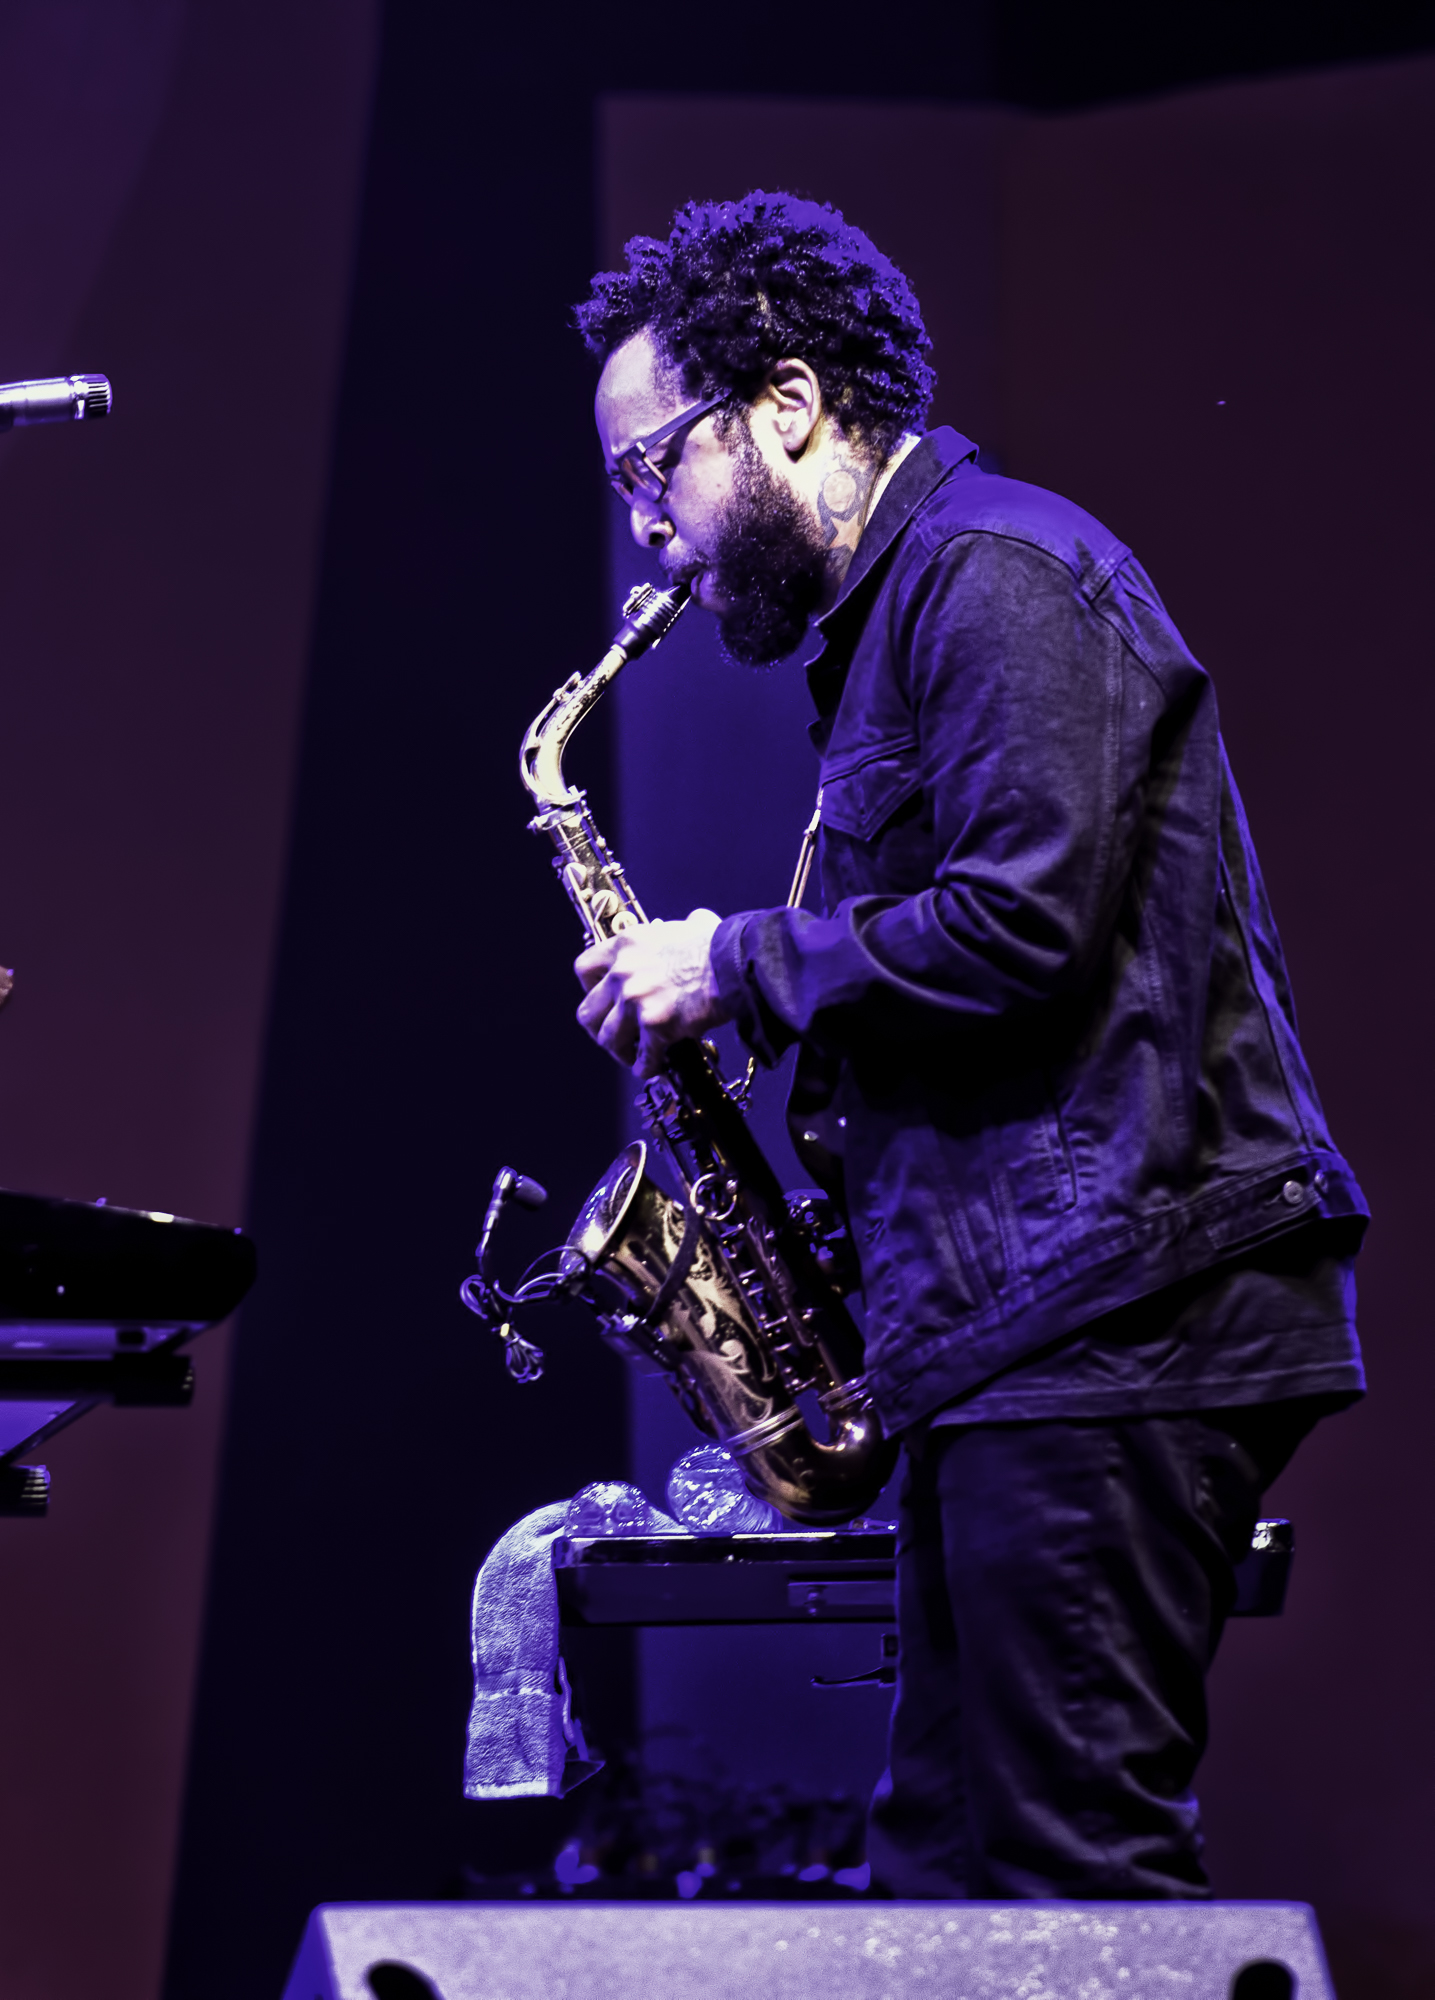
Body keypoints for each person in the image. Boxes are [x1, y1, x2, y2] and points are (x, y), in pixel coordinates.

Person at [567, 191, 1367, 1900]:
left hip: (1111, 1314)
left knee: (1072, 1880)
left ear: (784, 405)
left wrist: (733, 961)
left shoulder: (997, 573)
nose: (648, 533)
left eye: (655, 471)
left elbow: (1026, 927)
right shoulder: (901, 623)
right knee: (951, 1879)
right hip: (1025, 1334)